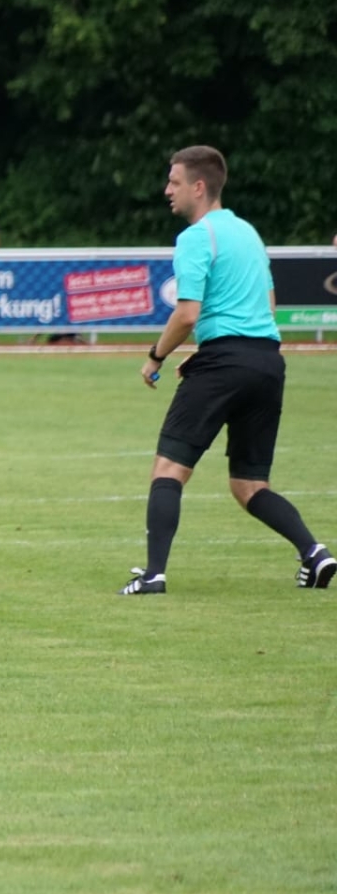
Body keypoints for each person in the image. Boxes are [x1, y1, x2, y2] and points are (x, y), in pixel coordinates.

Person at [122, 146, 334, 596]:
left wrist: (156, 356)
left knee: (169, 469)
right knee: (249, 484)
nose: (167, 190)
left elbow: (186, 314)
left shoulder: (196, 238)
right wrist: (216, 349)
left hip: (224, 363)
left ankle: (154, 575)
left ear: (198, 187)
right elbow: (268, 307)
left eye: (174, 181)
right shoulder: (248, 234)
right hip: (267, 362)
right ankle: (315, 554)